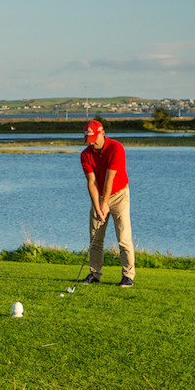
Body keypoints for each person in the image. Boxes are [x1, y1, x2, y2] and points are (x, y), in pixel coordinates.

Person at [79, 119, 135, 287]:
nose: (92, 144)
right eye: (89, 141)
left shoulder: (116, 148)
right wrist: (97, 207)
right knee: (95, 238)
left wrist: (105, 204)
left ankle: (128, 276)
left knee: (123, 238)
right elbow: (92, 183)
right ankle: (94, 274)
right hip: (99, 196)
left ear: (103, 133)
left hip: (119, 195)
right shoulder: (85, 154)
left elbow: (110, 179)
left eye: (94, 139)